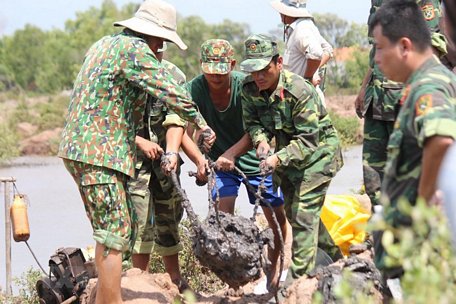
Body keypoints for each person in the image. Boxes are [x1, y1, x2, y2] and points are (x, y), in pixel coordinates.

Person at [58, 1, 214, 303]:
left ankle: (106, 299)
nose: (160, 47)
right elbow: (170, 91)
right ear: (154, 37)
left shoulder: (105, 45)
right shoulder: (135, 50)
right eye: (162, 41)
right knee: (115, 231)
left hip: (83, 149)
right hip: (99, 152)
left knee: (115, 227)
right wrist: (203, 124)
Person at [240, 34, 343, 289]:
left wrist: (277, 157)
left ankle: (298, 284)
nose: (259, 77)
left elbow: (309, 140)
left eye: (264, 70)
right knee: (299, 215)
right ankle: (341, 265)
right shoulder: (248, 89)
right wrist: (261, 141)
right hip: (288, 155)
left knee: (303, 213)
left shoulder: (299, 90)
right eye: (254, 71)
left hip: (319, 153)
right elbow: (253, 124)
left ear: (279, 63)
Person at [186, 39, 287, 291]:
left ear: (231, 65)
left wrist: (232, 154)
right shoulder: (194, 89)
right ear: (201, 66)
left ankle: (276, 270)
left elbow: (257, 127)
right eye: (209, 71)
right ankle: (234, 280)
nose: (215, 76)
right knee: (221, 218)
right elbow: (181, 132)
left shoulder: (247, 84)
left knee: (276, 214)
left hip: (252, 158)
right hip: (219, 163)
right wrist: (199, 160)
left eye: (221, 71)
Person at [370, 0, 456, 279]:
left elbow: (441, 139)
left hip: (419, 251)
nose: (376, 59)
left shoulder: (429, 86)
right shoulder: (419, 84)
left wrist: (420, 208)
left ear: (405, 46)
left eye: (380, 48)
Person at [127, 44, 207, 293]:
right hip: (134, 164)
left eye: (159, 50)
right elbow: (112, 124)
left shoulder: (174, 76)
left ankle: (175, 281)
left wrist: (192, 158)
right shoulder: (127, 74)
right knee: (139, 222)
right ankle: (140, 283)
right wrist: (139, 142)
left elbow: (177, 121)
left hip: (166, 164)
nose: (156, 54)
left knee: (169, 219)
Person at [356, 0, 447, 208]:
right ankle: (379, 229)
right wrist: (364, 87)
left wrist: (417, 84)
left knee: (410, 171)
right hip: (376, 98)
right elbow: (375, 50)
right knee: (373, 175)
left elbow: (431, 43)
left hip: (403, 97)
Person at [270, 0, 333, 102]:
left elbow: (316, 54)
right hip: (298, 94)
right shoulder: (304, 26)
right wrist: (314, 71)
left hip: (302, 97)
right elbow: (327, 50)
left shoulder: (301, 29)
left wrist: (307, 79)